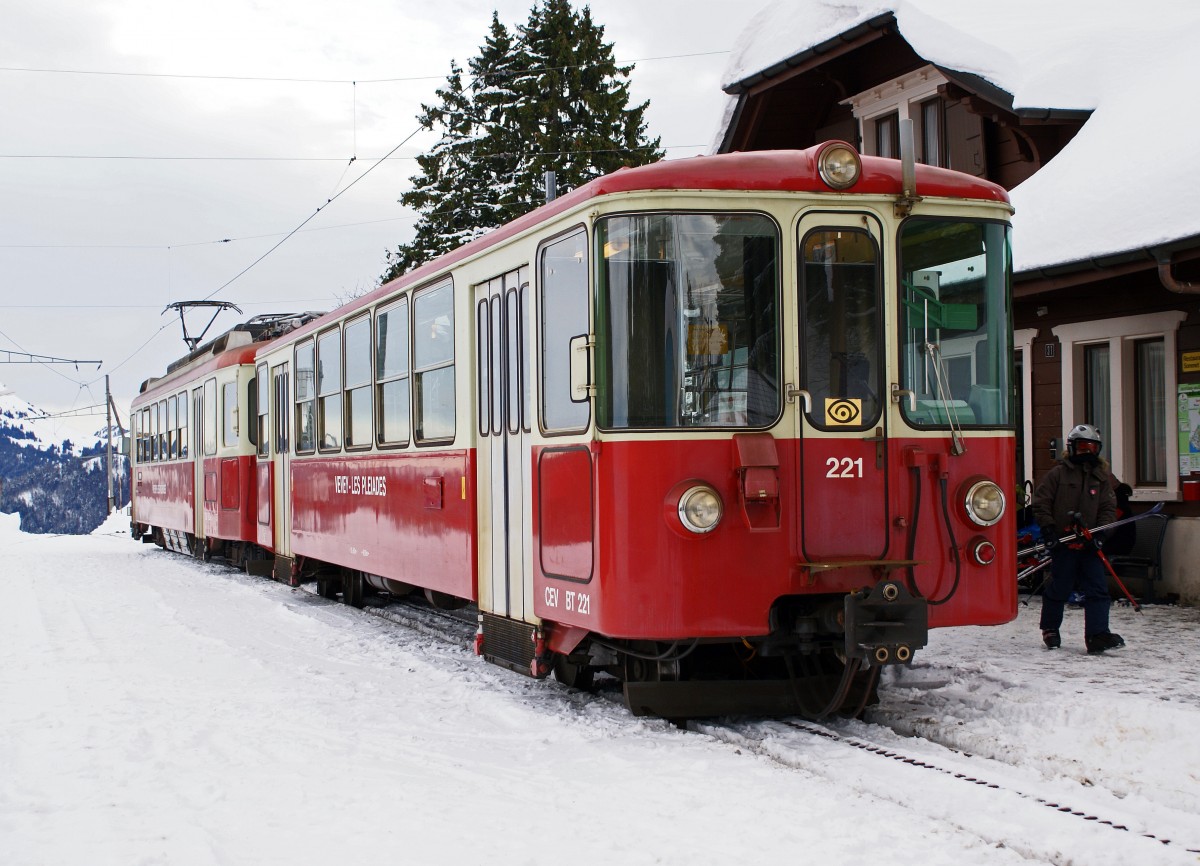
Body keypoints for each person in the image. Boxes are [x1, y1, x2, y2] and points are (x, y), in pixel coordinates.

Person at [1032, 423, 1124, 654]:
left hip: (1089, 543)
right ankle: (1050, 628)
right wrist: (1049, 530)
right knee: (1060, 587)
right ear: (1072, 448)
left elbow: (1107, 508)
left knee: (1098, 589)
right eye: (1082, 447)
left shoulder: (1101, 478)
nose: (1087, 453)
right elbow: (1041, 503)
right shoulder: (1058, 475)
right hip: (1063, 542)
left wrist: (1101, 534)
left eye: (1092, 448)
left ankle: (1097, 635)